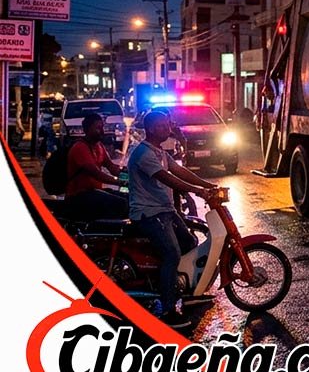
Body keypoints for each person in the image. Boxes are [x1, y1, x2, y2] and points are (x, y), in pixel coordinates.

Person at [127, 110, 223, 328]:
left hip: (166, 211)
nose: (168, 129)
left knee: (190, 242)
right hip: (149, 214)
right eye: (162, 126)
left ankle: (187, 293)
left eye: (168, 124)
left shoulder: (159, 151)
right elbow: (167, 178)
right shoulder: (144, 154)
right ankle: (168, 310)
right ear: (151, 129)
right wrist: (198, 192)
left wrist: (209, 186)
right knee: (172, 254)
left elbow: (180, 171)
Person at [62, 113, 128, 221]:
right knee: (120, 203)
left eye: (102, 127)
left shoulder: (99, 146)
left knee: (128, 198)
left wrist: (129, 175)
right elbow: (96, 173)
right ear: (87, 129)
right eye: (98, 128)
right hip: (79, 195)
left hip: (95, 191)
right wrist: (121, 182)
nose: (102, 131)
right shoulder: (80, 147)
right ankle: (106, 232)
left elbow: (111, 167)